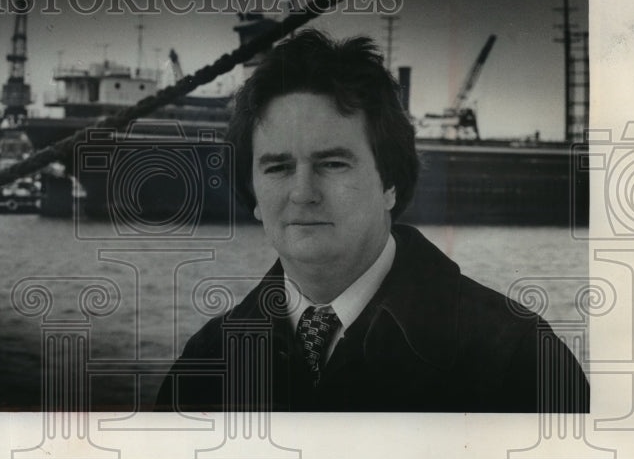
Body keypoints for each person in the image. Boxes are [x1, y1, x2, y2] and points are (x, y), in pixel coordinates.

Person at [154, 29, 589, 412]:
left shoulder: (517, 355)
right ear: (253, 196)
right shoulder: (205, 361)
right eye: (277, 167)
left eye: (334, 164)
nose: (303, 193)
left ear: (390, 184)